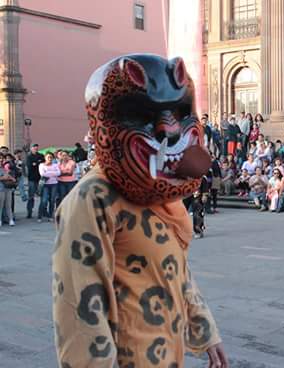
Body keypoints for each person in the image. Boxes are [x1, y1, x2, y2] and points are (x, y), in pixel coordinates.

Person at [53, 54, 227, 368]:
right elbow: (80, 305)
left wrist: (205, 331)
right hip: (127, 357)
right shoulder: (93, 198)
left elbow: (177, 272)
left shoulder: (162, 196)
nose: (169, 129)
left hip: (167, 354)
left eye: (178, 112)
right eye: (144, 116)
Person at [38, 152, 60, 222]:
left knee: (52, 200)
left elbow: (59, 173)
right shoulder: (42, 165)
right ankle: (40, 216)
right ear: (45, 158)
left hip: (54, 184)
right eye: (48, 157)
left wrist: (49, 173)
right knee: (44, 200)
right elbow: (42, 174)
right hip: (45, 185)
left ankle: (50, 216)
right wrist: (53, 173)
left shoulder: (55, 165)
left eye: (51, 157)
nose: (49, 159)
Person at [26, 143, 44, 219]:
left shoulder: (40, 155)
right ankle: (29, 211)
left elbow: (42, 163)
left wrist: (35, 163)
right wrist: (37, 163)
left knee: (42, 196)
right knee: (31, 196)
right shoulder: (29, 156)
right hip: (31, 179)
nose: (35, 149)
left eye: (36, 148)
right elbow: (30, 166)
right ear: (31, 148)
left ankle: (42, 211)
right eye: (34, 148)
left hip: (40, 178)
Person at [0, 155, 16, 226]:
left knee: (8, 205)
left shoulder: (4, 167)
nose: (1, 160)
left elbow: (9, 176)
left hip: (8, 188)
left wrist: (11, 178)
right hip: (1, 189)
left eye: (2, 158)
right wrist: (5, 177)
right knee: (1, 205)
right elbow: (4, 177)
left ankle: (11, 219)